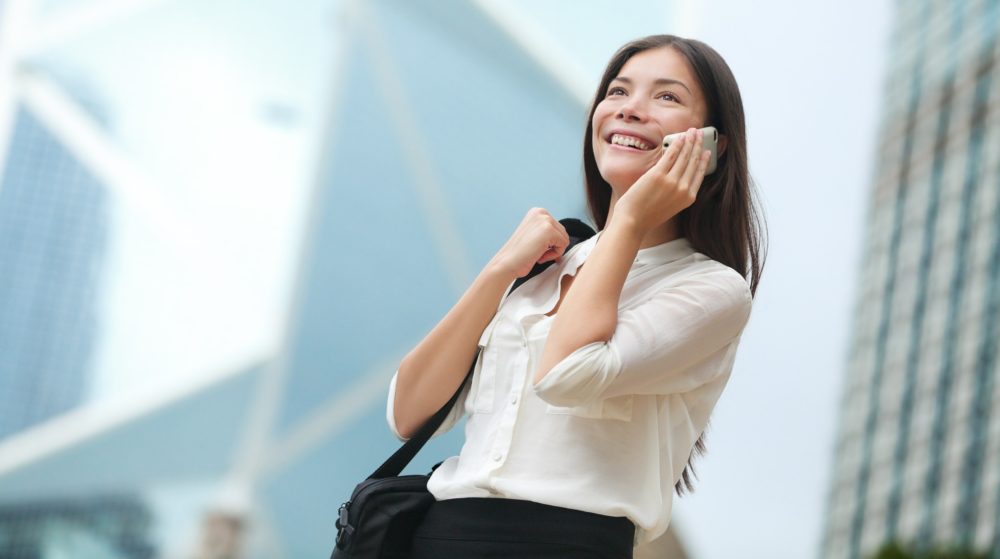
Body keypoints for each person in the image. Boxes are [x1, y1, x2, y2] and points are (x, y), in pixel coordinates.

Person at [386, 34, 766, 559]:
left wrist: (630, 219)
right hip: (443, 532)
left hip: (565, 543)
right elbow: (408, 413)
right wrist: (500, 270)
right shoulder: (544, 263)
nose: (630, 110)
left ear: (711, 146)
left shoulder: (711, 290)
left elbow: (565, 376)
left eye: (667, 97)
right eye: (617, 91)